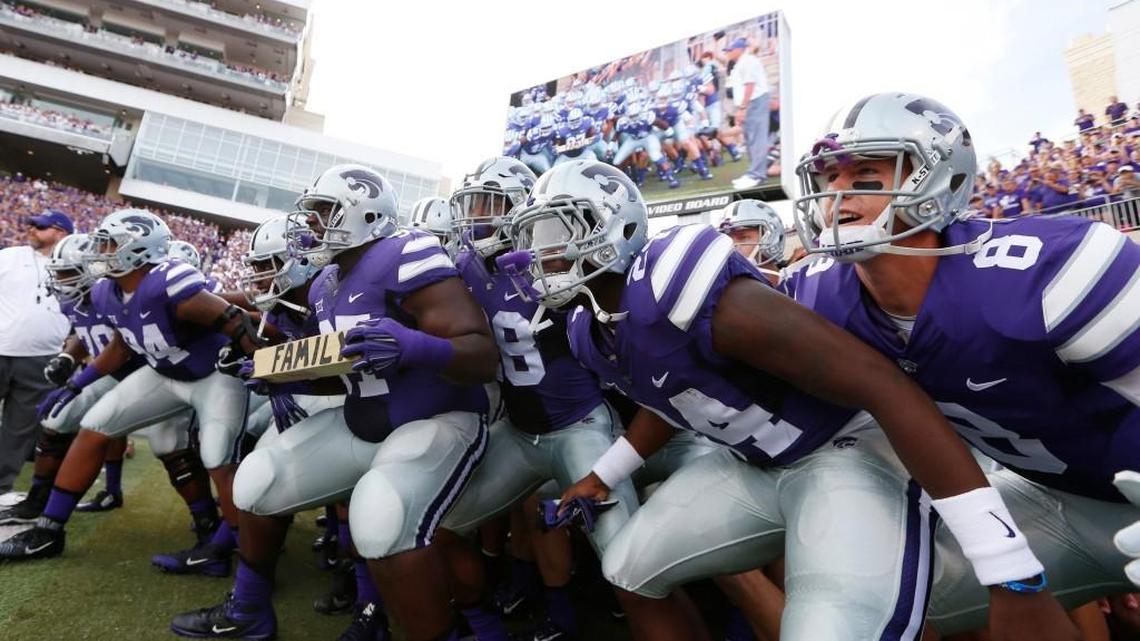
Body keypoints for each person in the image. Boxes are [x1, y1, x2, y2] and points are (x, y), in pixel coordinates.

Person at [503, 159, 1076, 641]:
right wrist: (603, 475)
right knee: (626, 566)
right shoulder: (587, 325)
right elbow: (667, 396)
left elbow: (880, 382)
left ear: (613, 225)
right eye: (537, 235)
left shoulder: (670, 279)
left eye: (557, 231)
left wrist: (1009, 569)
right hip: (755, 465)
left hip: (842, 452)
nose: (541, 251)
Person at [784, 91, 1140, 637]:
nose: (838, 194)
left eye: (867, 173)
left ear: (939, 181)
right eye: (829, 177)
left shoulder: (1049, 268)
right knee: (888, 603)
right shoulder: (816, 299)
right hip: (1043, 499)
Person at [179, 164, 497, 641]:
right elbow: (352, 373)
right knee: (258, 483)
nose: (311, 224)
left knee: (380, 515)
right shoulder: (327, 281)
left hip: (438, 420)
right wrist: (287, 378)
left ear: (366, 214)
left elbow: (482, 354)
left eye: (324, 212)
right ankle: (248, 610)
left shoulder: (405, 252)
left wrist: (414, 346)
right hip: (364, 423)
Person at [0, 209, 260, 564]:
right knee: (94, 426)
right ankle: (49, 529)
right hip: (165, 374)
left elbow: (233, 318)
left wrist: (254, 365)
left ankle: (238, 557)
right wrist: (77, 385)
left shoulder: (166, 281)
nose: (100, 250)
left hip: (213, 376)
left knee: (217, 456)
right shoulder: (109, 290)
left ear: (137, 249)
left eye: (109, 243)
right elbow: (121, 345)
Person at [0, 209, 73, 501]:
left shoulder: (76, 265)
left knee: (19, 429)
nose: (31, 229)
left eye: (40, 226)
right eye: (31, 224)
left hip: (43, 357)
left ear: (61, 233)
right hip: (1, 347)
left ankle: (2, 485)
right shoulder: (10, 256)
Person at [724, 38, 770, 191]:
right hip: (750, 102)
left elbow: (750, 85)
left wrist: (743, 108)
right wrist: (741, 108)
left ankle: (757, 175)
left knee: (756, 139)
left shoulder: (748, 60)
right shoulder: (741, 62)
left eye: (730, 50)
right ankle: (753, 173)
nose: (728, 53)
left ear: (739, 49)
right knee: (750, 139)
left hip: (755, 101)